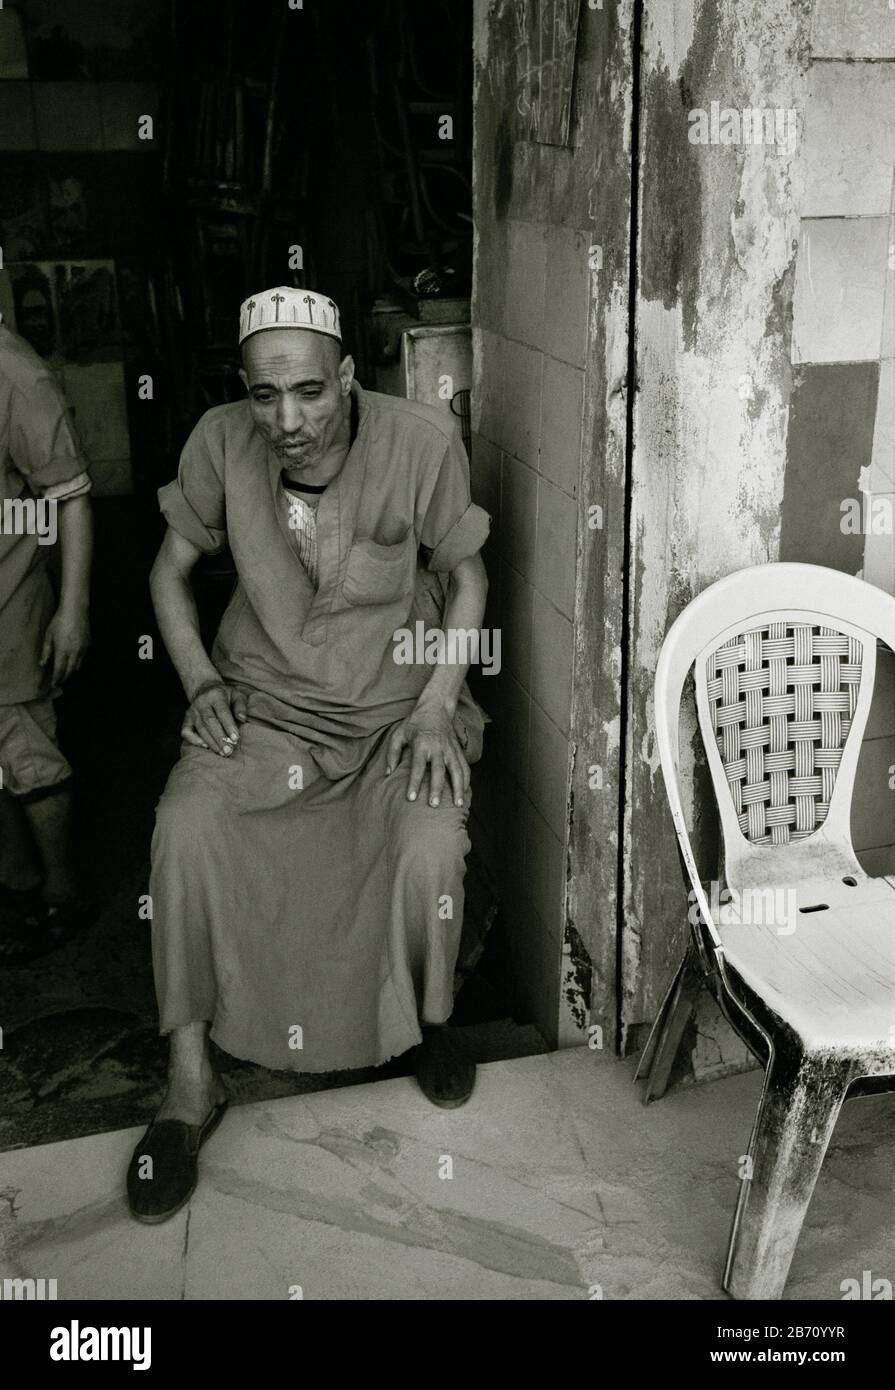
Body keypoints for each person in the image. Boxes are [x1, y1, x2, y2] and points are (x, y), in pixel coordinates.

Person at [128, 287, 490, 1223]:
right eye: (263, 395)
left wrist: (439, 706)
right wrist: (201, 682)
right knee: (186, 826)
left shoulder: (418, 443)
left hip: (393, 715)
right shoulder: (218, 442)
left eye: (308, 393)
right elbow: (167, 573)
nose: (285, 420)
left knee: (429, 842)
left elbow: (467, 576)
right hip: (268, 711)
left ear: (347, 380)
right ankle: (189, 1081)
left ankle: (433, 1025)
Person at [0, 315, 93, 962]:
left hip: (8, 601)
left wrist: (74, 611)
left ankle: (63, 891)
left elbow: (71, 497)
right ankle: (18, 878)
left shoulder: (16, 374)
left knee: (26, 749)